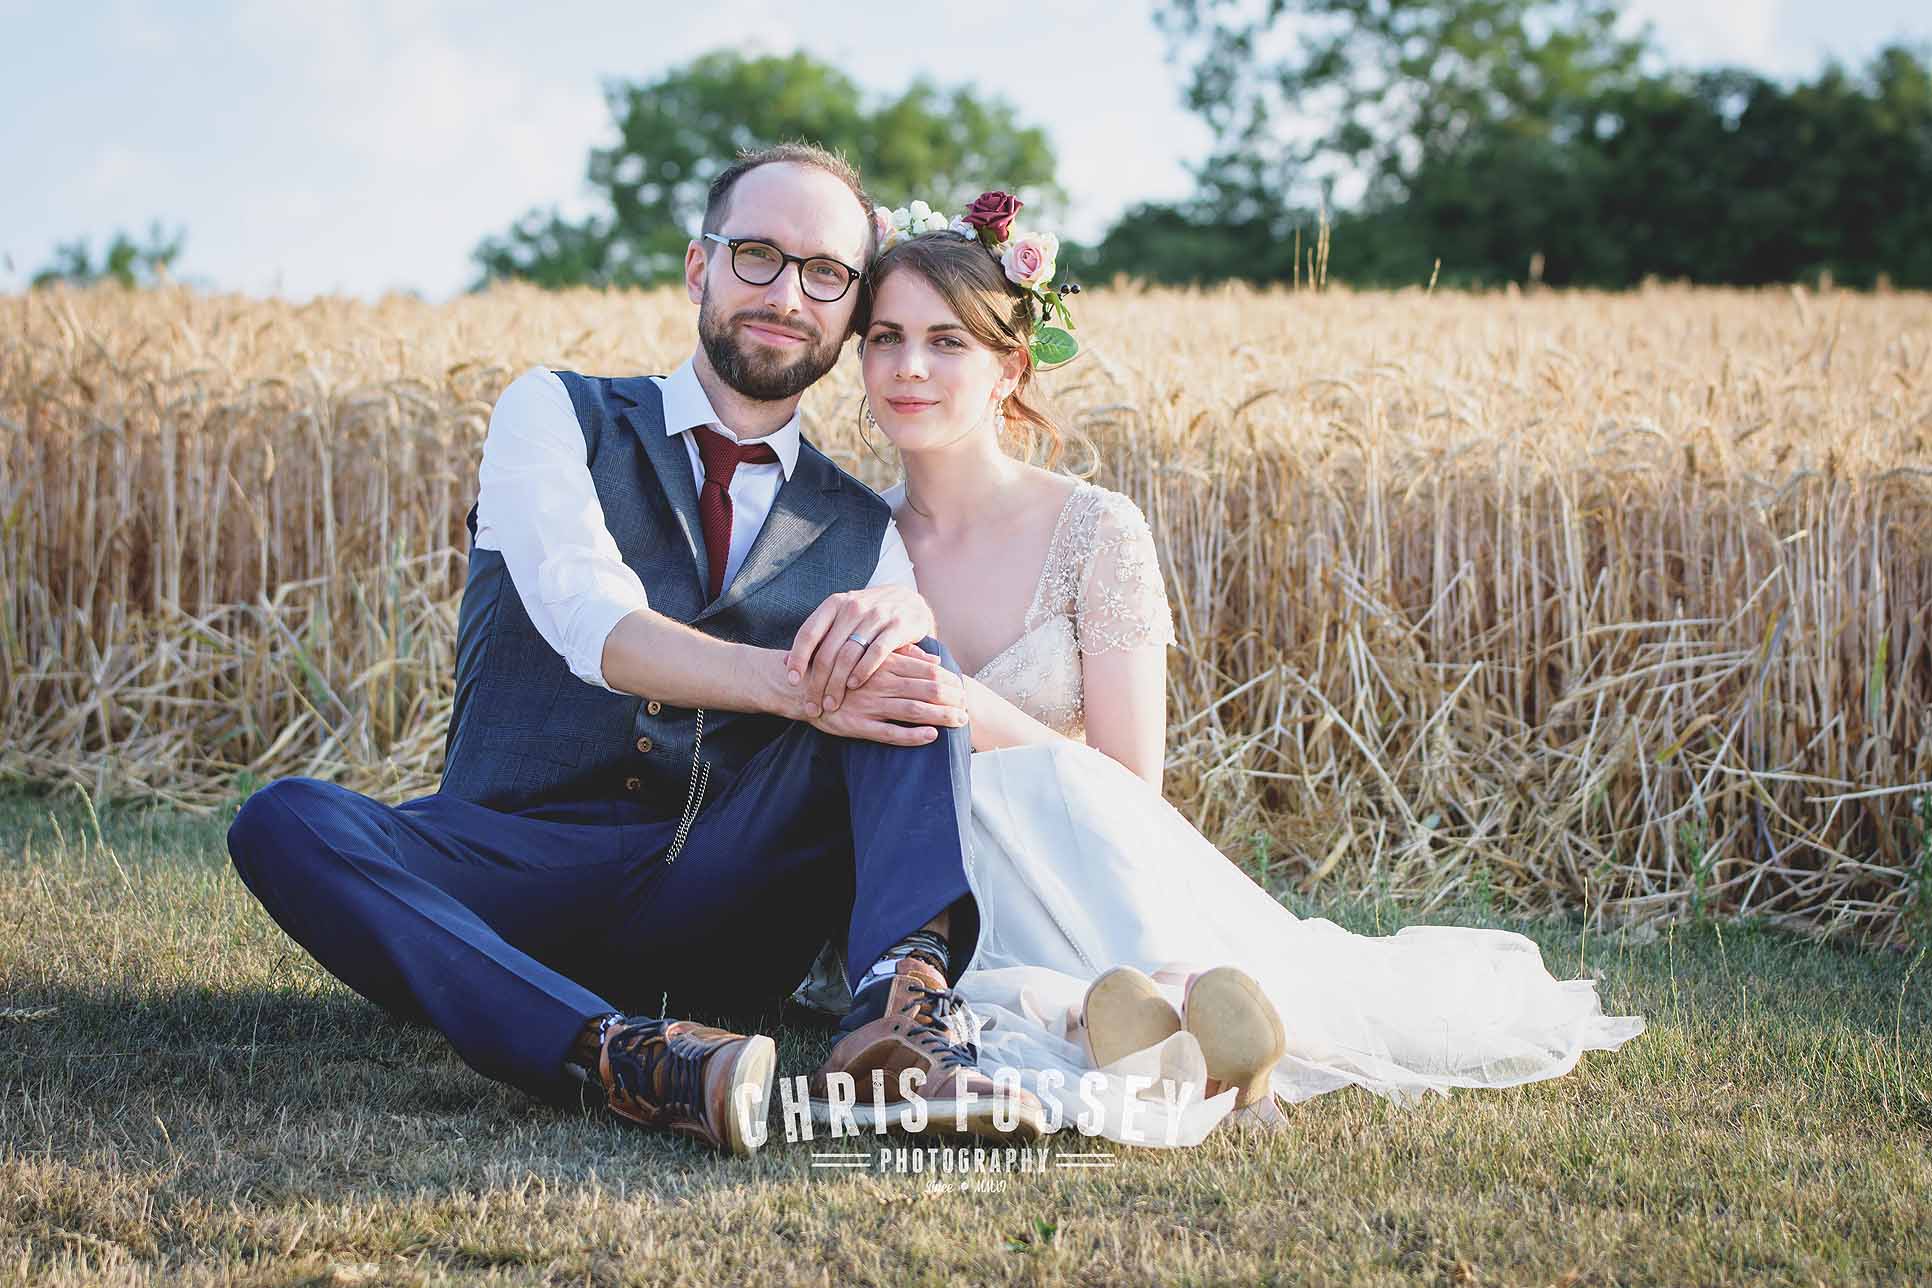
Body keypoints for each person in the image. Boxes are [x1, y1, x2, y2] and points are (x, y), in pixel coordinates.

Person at [226, 146, 1046, 1156]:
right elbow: (589, 621)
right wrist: (796, 691)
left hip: (726, 899)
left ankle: (902, 1017)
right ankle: (627, 1056)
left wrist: (900, 650)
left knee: (903, 676)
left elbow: (913, 713)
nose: (786, 294)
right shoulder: (556, 413)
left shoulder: (859, 525)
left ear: (846, 311)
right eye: (757, 255)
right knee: (285, 820)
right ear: (699, 269)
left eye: (824, 274)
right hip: (514, 873)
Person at [786, 195, 1644, 1146]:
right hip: (935, 874)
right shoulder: (843, 538)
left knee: (1049, 778)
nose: (907, 367)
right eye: (885, 337)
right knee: (958, 840)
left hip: (1085, 848)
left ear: (1010, 368)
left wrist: (967, 705)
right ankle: (1131, 1017)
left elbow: (1128, 785)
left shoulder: (1095, 529)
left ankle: (1161, 1001)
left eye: (947, 341)